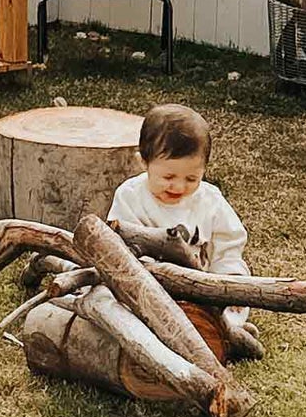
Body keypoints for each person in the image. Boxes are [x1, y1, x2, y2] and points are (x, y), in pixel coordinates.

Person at [108, 103, 257, 344]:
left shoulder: (209, 200)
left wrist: (227, 281)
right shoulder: (131, 196)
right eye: (168, 177)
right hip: (153, 288)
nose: (178, 187)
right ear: (143, 162)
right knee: (121, 300)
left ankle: (224, 329)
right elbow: (120, 250)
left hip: (203, 288)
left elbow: (228, 247)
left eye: (191, 178)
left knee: (238, 282)